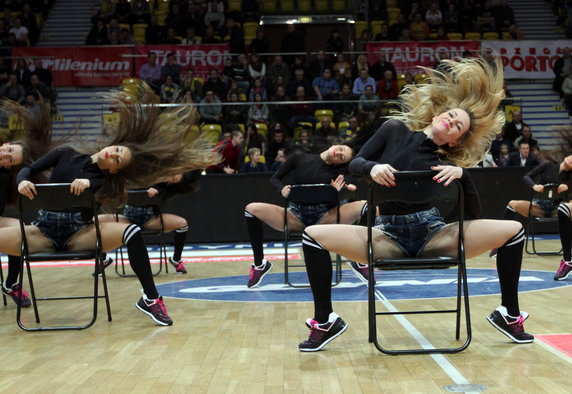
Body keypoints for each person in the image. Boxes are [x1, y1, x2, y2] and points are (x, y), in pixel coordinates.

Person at [297, 57, 534, 352]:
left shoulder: (446, 161)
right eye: (450, 114)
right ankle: (326, 320)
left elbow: (471, 216)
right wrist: (371, 168)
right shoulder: (393, 129)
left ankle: (509, 315)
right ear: (437, 115)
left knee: (513, 229)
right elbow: (355, 162)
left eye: (457, 125)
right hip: (387, 236)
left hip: (432, 234)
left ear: (454, 140)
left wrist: (463, 176)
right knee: (311, 236)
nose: (451, 120)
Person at [0, 84, 220, 325]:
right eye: (116, 150)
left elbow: (94, 184)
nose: (112, 155)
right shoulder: (65, 153)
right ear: (110, 144)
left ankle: (150, 298)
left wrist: (87, 183)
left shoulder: (102, 179)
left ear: (115, 169)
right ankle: (11, 284)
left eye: (117, 159)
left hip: (79, 234)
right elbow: (30, 169)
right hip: (41, 232)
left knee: (132, 232)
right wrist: (22, 181)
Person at [243, 144, 368, 288]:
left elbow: (335, 200)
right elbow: (275, 179)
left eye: (342, 157)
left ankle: (361, 260)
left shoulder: (338, 173)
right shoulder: (299, 157)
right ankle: (260, 264)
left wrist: (334, 191)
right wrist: (281, 189)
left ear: (340, 163)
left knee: (366, 206)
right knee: (251, 209)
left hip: (324, 218)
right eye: (340, 149)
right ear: (334, 145)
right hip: (295, 216)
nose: (338, 153)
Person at [0, 101, 54, 307]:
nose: (5, 155)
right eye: (9, 150)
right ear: (6, 144)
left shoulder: (4, 179)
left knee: (20, 230)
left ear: (9, 167)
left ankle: (11, 282)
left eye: (10, 159)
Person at [99, 170, 203, 275]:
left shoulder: (166, 189)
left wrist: (156, 191)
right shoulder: (151, 171)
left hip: (149, 220)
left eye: (173, 179)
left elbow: (160, 192)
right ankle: (104, 259)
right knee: (95, 220)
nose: (169, 177)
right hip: (128, 219)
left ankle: (176, 259)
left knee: (182, 223)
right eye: (172, 174)